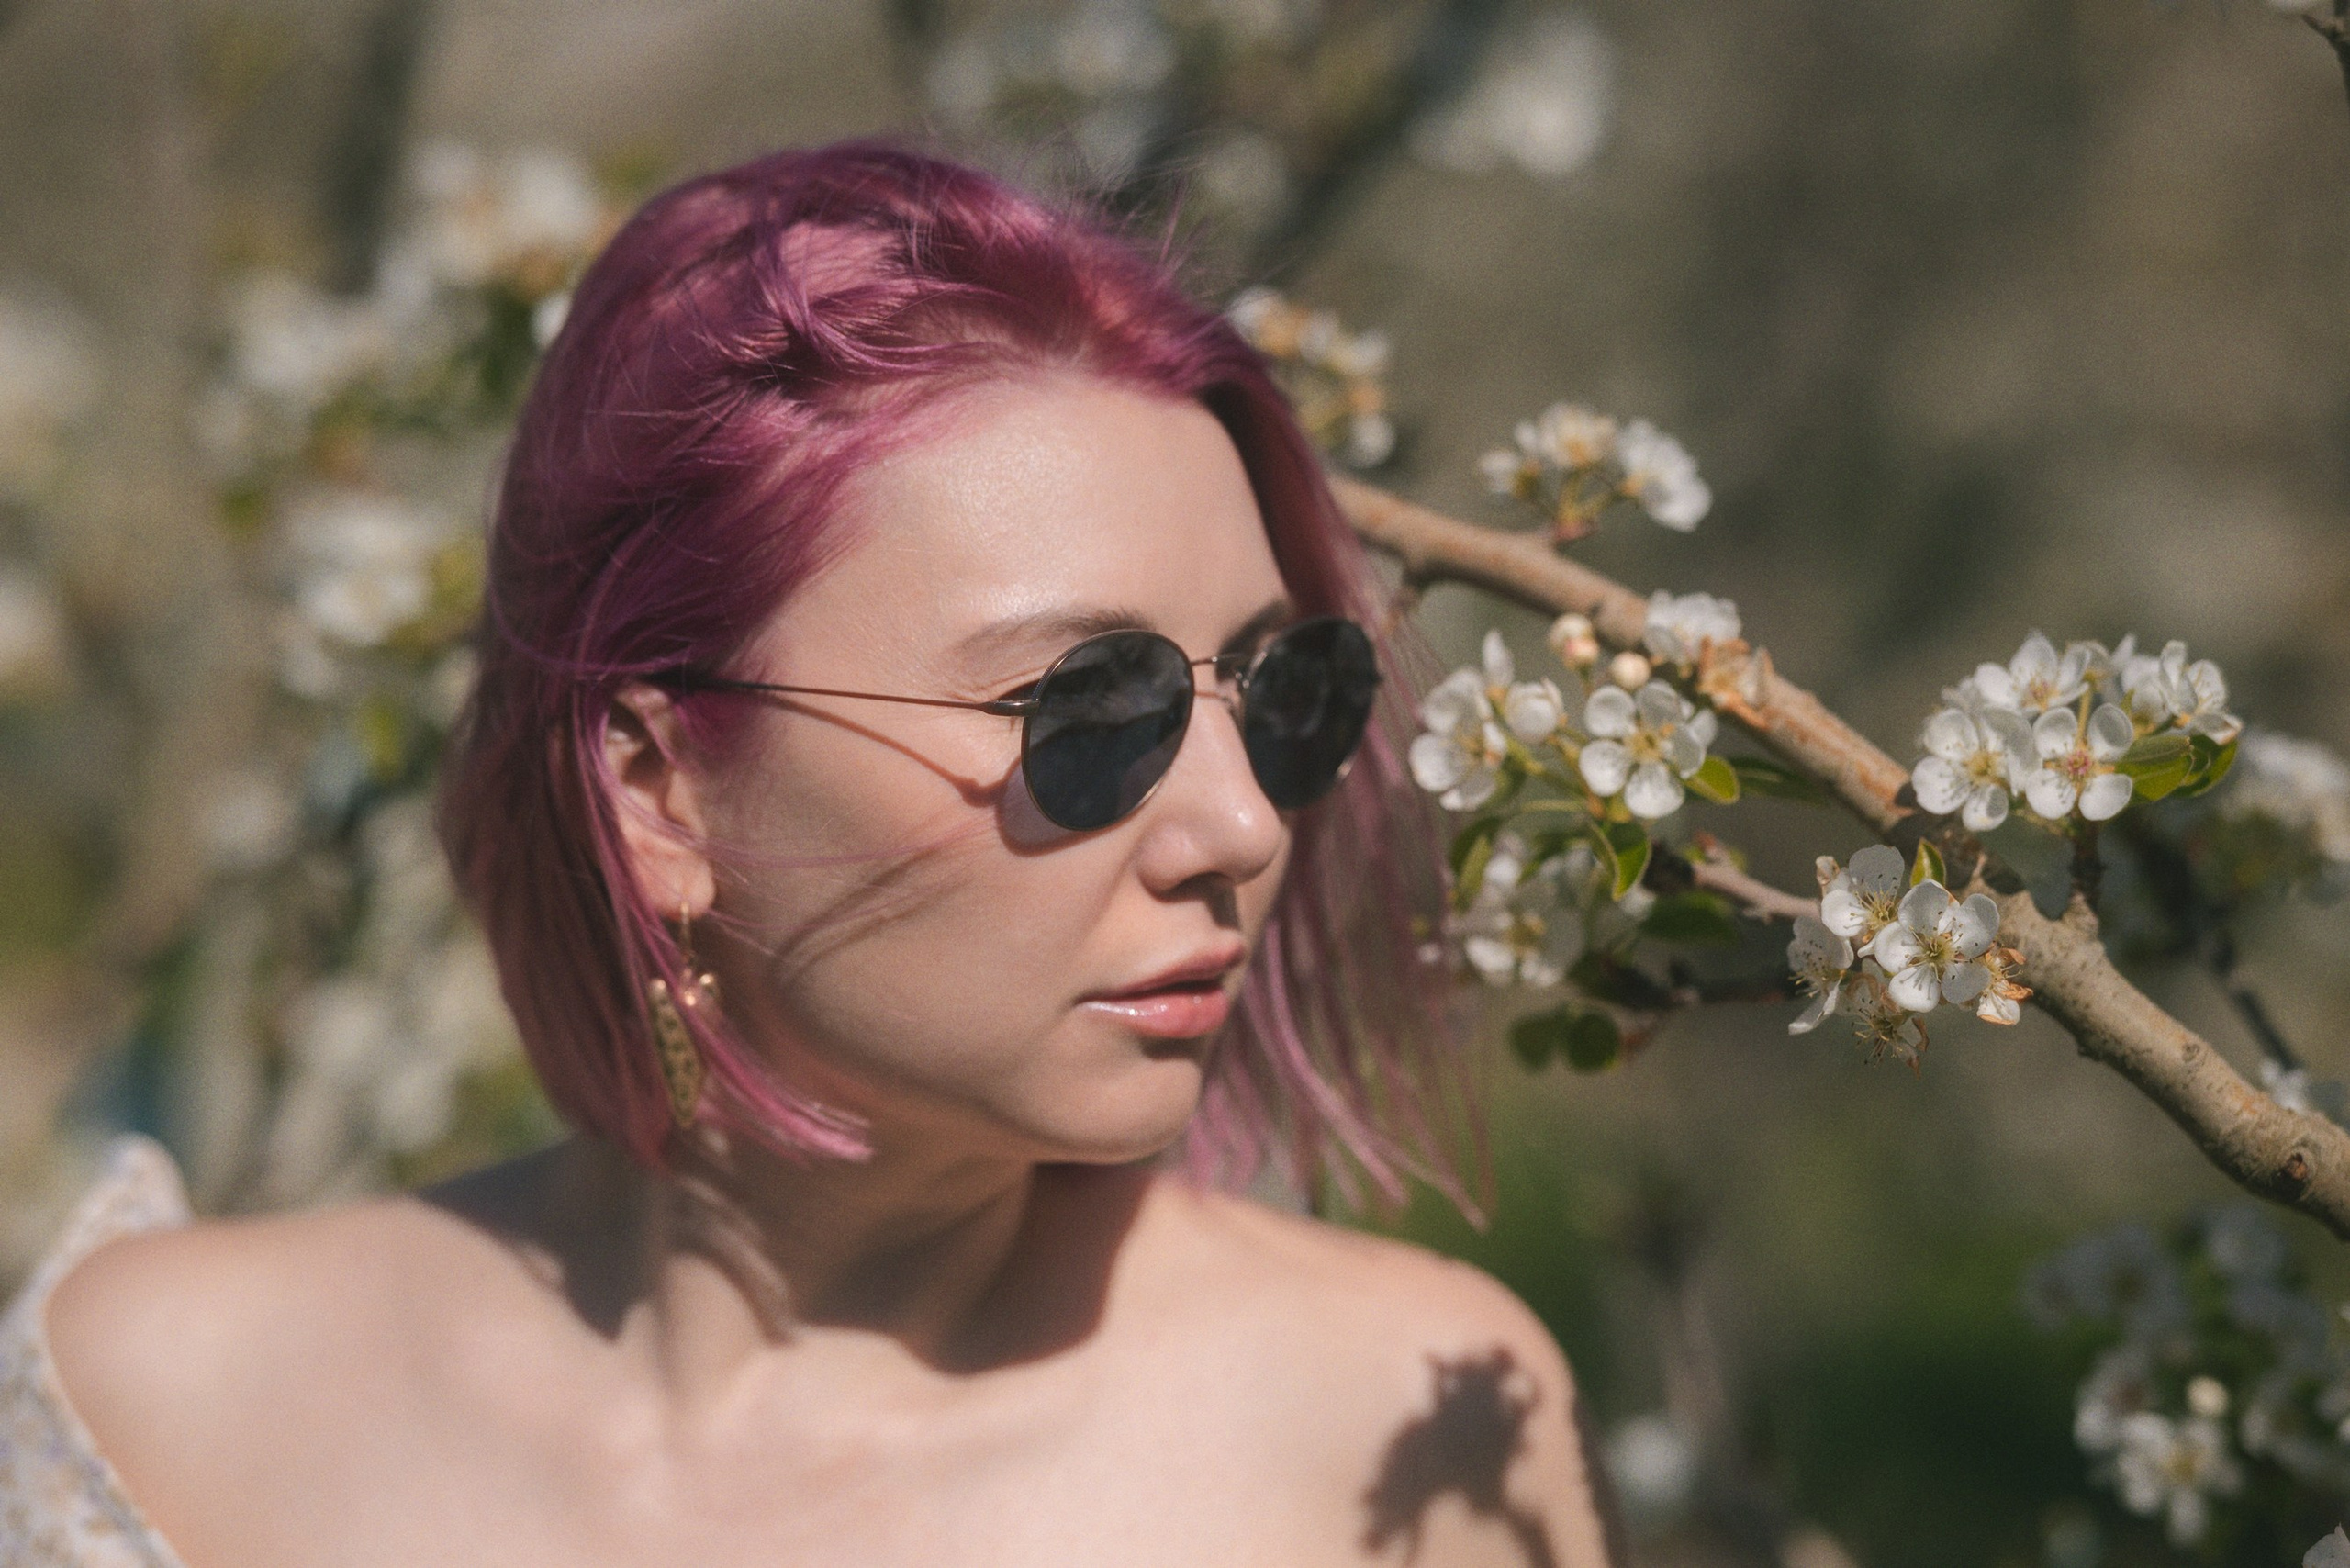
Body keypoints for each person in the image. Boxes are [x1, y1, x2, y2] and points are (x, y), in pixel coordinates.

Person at [2, 140, 1617, 1567]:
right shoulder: (164, 1412)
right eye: (1090, 711)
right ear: (658, 789)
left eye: (1286, 697)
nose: (1244, 826)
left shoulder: (1393, 1442)